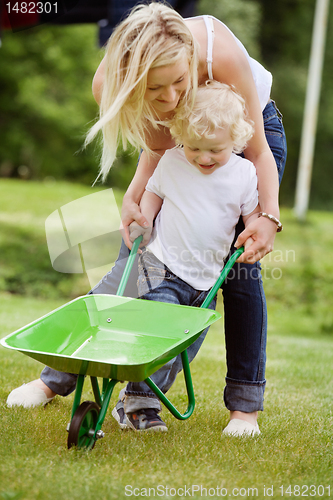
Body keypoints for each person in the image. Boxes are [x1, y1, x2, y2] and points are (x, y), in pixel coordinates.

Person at [7, 3, 287, 436]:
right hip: (181, 150)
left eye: (180, 82)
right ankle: (56, 380)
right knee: (136, 263)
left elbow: (258, 153)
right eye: (157, 89)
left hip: (245, 141)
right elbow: (159, 151)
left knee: (239, 272)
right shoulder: (110, 84)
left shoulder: (218, 50)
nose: (173, 99)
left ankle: (244, 407)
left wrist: (267, 215)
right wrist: (136, 199)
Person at [113, 80, 261, 435]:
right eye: (195, 147)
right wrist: (144, 219)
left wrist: (255, 232)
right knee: (159, 336)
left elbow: (252, 214)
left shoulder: (244, 174)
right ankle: (139, 405)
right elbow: (152, 192)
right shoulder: (173, 161)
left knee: (183, 349)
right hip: (162, 269)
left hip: (205, 282)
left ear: (237, 141)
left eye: (215, 150)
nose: (204, 158)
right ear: (180, 136)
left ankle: (136, 400)